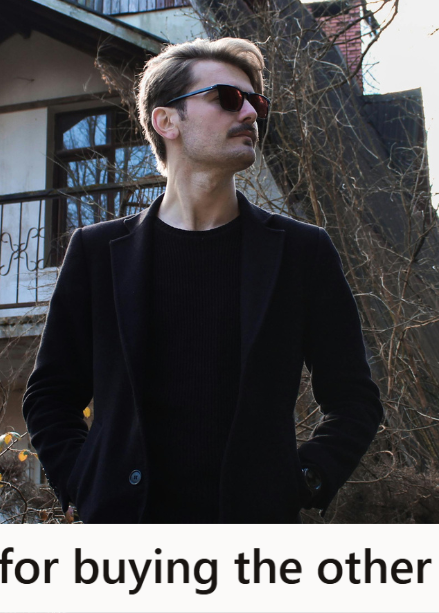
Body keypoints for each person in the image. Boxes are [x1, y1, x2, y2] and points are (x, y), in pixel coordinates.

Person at [22, 37, 382, 524]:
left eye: (255, 101)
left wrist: (306, 479)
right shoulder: (97, 253)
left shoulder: (301, 252)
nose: (251, 113)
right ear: (166, 120)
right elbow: (50, 397)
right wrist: (84, 481)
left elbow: (354, 399)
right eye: (227, 98)